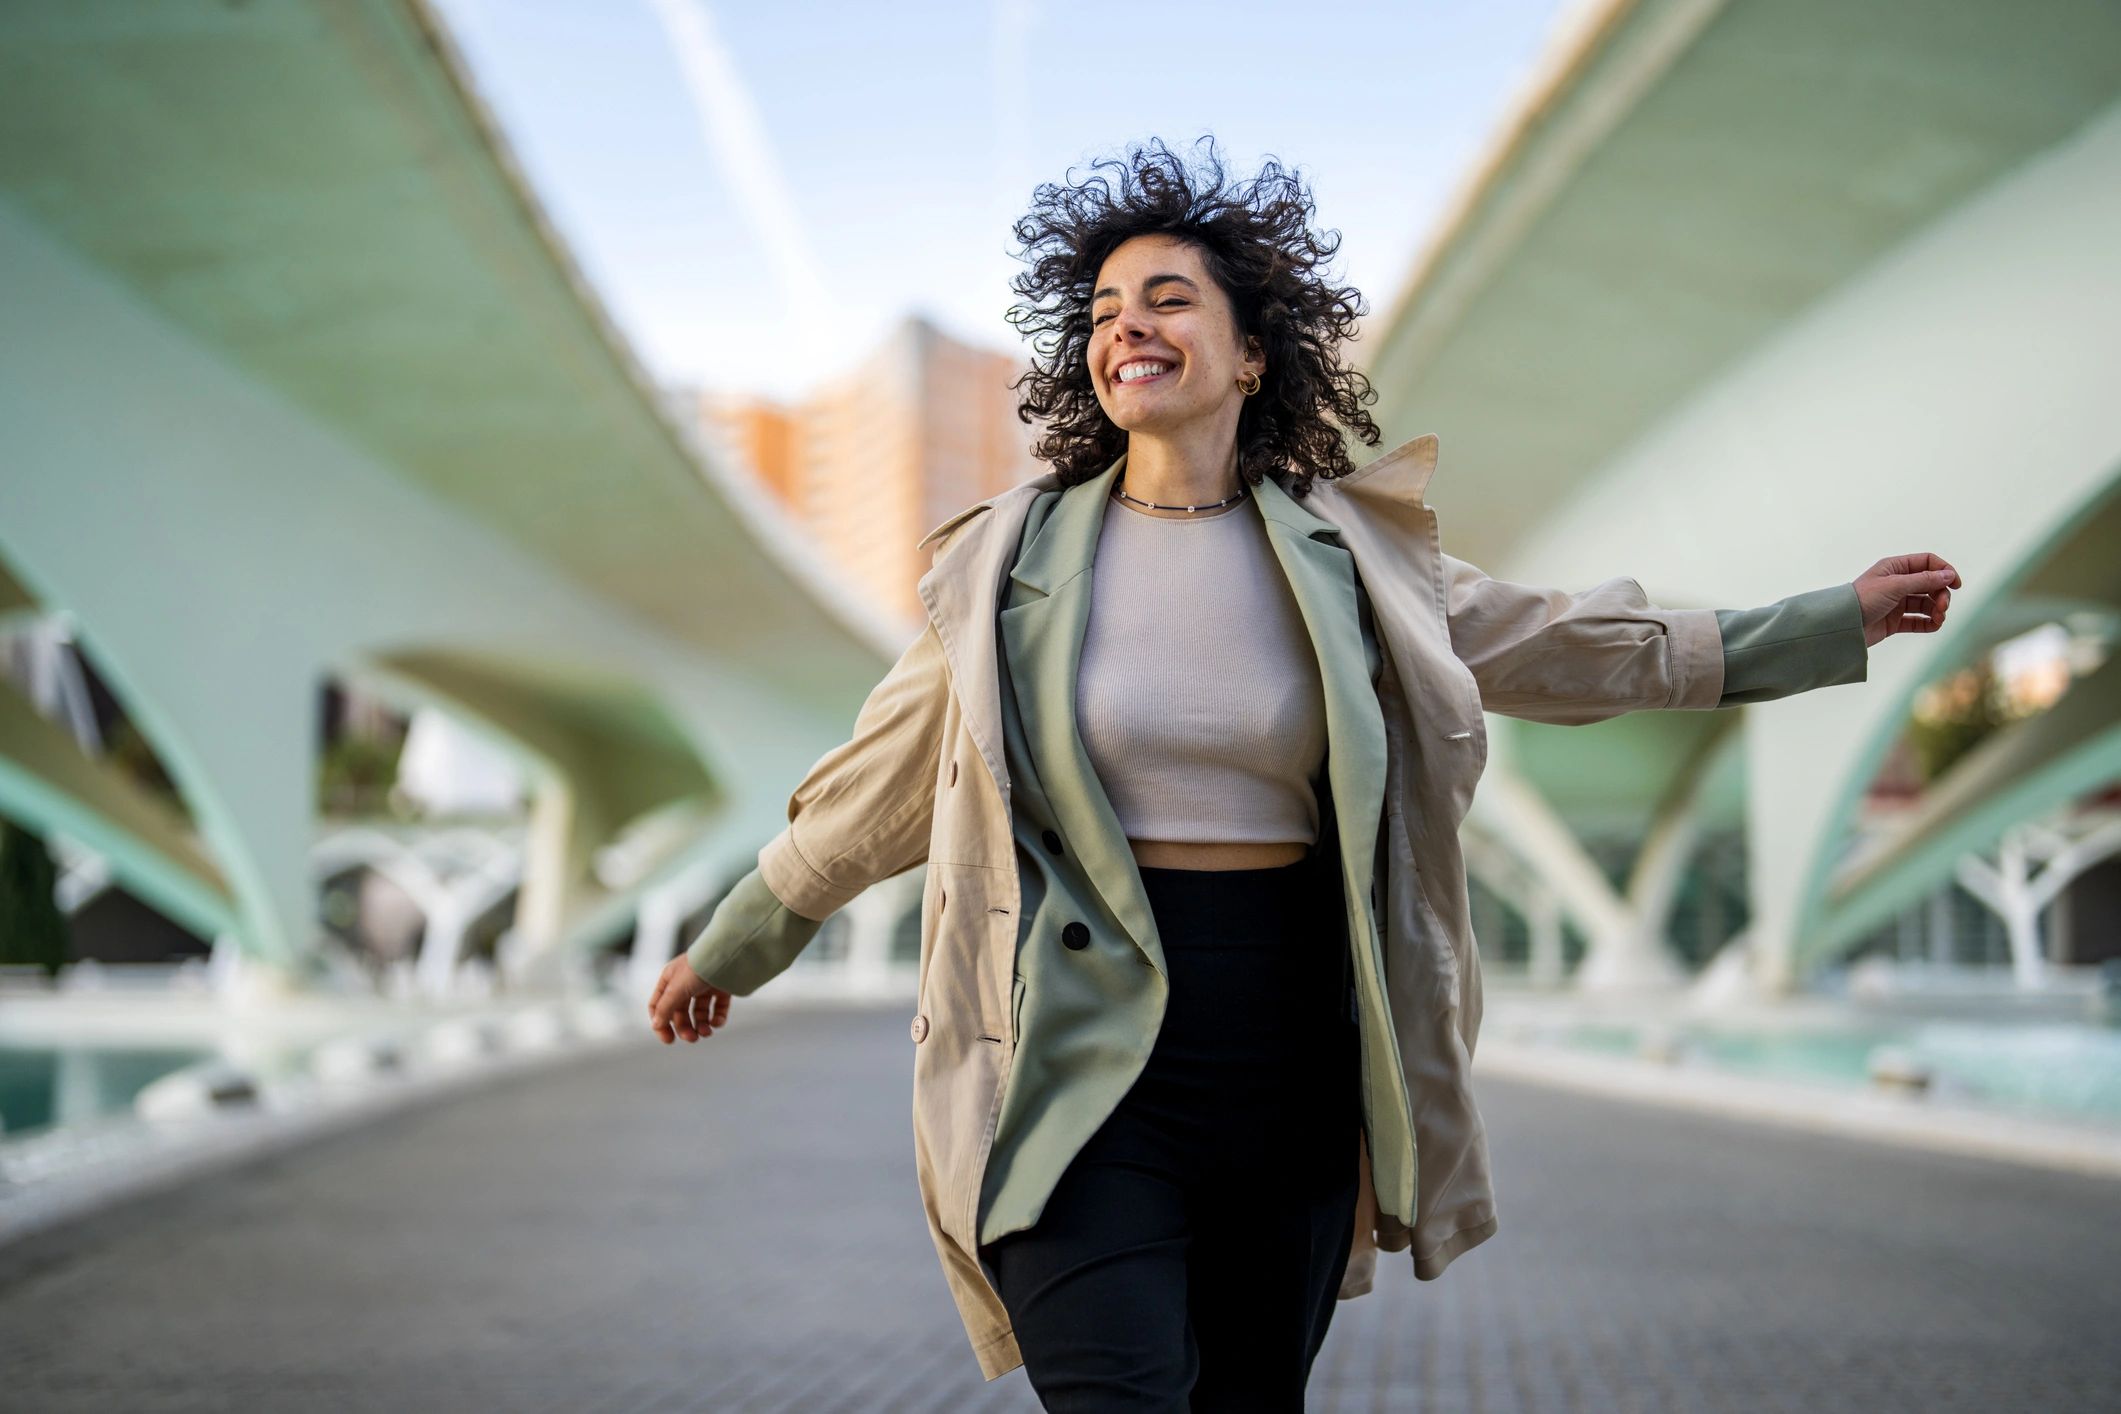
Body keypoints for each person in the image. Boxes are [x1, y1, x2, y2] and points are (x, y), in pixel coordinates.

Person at [648, 137, 1960, 1409]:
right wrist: (732, 943)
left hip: (1286, 1056)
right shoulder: (1008, 567)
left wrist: (1821, 623)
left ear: (1251, 350)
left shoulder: (1349, 557)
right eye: (1104, 310)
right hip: (1069, 1060)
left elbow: (1563, 641)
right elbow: (877, 779)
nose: (1128, 327)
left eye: (1168, 299)